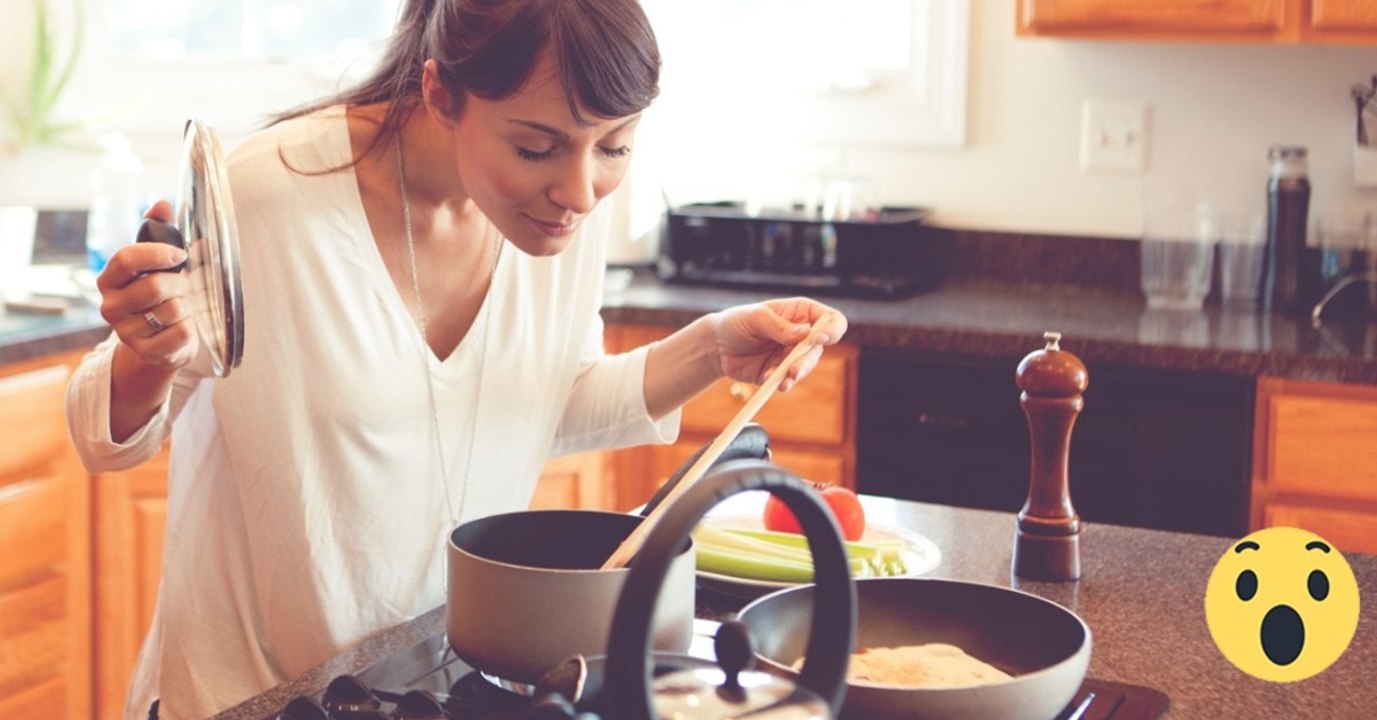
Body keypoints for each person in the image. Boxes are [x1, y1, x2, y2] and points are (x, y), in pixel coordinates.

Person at [65, 0, 848, 717]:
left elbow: (541, 400)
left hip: (424, 679)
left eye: (614, 145)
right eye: (536, 146)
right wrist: (152, 352)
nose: (578, 189)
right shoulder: (269, 195)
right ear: (441, 95)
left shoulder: (559, 212)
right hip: (254, 692)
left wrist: (710, 346)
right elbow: (105, 438)